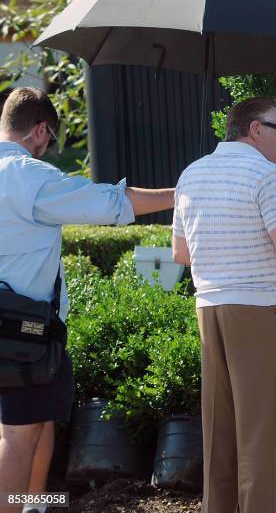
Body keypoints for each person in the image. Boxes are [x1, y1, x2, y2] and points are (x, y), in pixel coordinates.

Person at [0, 87, 175, 513]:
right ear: (41, 129)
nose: (49, 149)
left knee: (36, 422)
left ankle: (35, 505)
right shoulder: (28, 176)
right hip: (22, 333)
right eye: (52, 139)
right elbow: (113, 203)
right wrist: (184, 193)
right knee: (15, 436)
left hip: (31, 333)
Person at [173, 96, 276, 513]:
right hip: (256, 309)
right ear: (255, 129)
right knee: (263, 436)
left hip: (208, 307)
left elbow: (182, 253)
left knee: (220, 433)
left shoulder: (190, 174)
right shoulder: (267, 174)